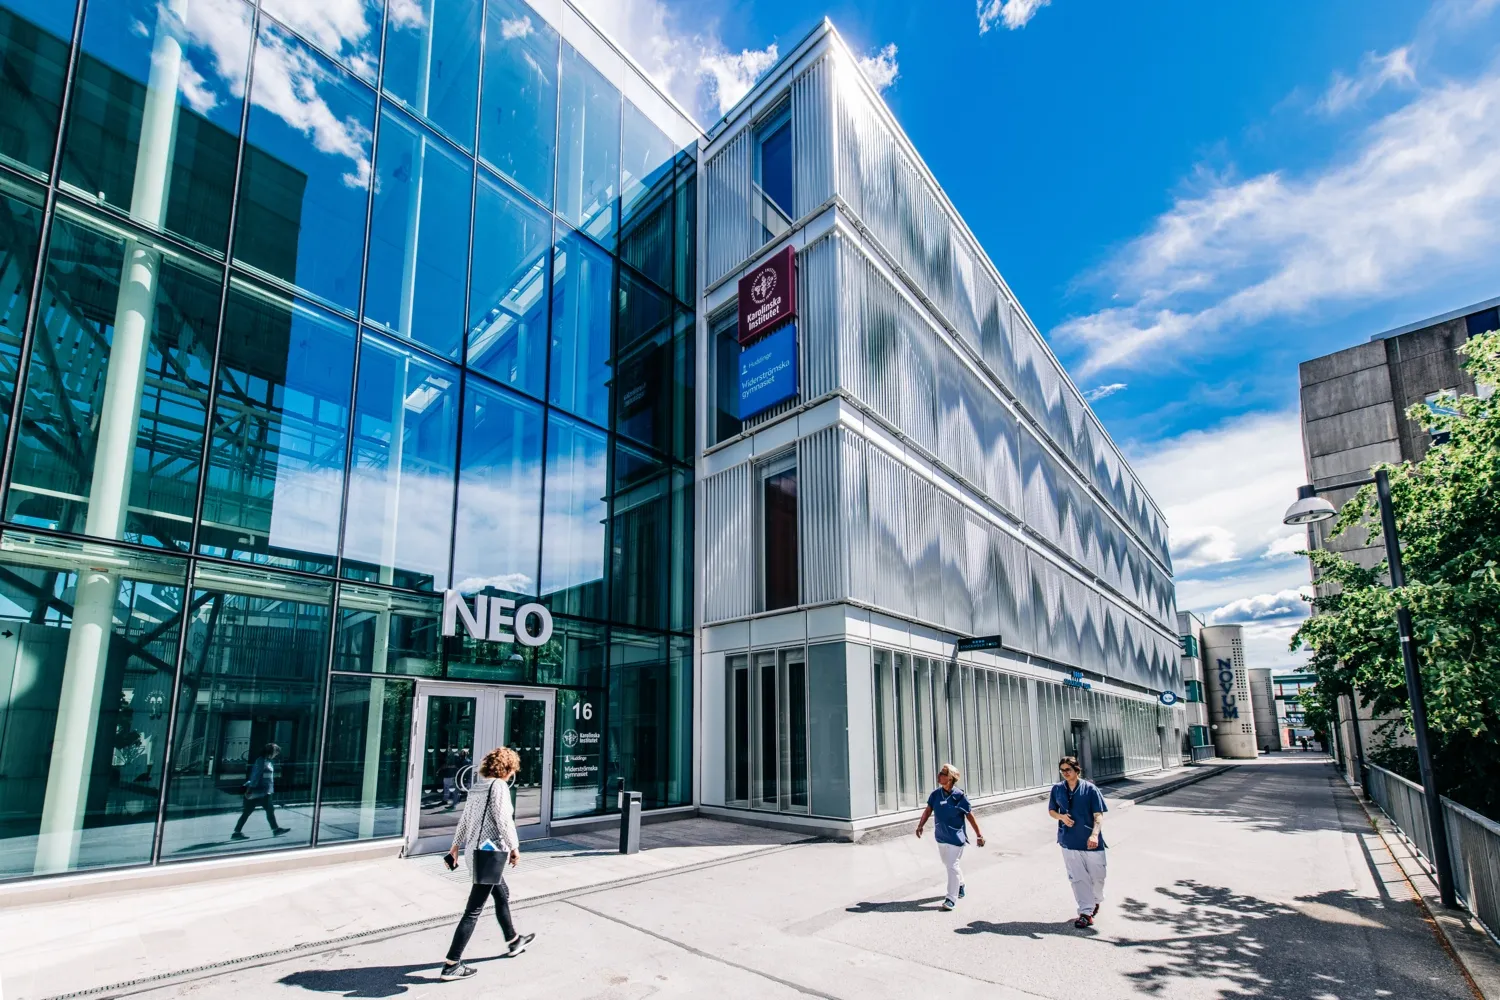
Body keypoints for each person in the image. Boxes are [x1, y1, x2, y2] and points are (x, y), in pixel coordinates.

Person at [440, 746, 535, 980]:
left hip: (475, 852)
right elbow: (504, 820)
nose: (513, 774)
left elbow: (464, 819)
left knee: (502, 893)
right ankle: (452, 964)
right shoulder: (498, 786)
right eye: (512, 770)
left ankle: (513, 939)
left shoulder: (478, 787)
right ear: (507, 768)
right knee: (473, 910)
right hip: (489, 855)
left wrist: (455, 846)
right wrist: (515, 847)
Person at [914, 763, 985, 911]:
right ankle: (960, 884)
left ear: (950, 778)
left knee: (952, 865)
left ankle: (951, 898)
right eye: (940, 773)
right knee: (949, 864)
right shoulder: (935, 795)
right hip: (941, 836)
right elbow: (928, 810)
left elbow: (970, 816)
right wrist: (920, 825)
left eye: (943, 774)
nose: (939, 775)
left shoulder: (959, 797)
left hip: (955, 838)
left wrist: (979, 835)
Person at [1048, 755, 1108, 929]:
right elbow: (1052, 810)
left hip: (1091, 842)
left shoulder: (1090, 789)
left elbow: (1098, 815)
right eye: (1062, 770)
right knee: (1078, 878)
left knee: (1098, 877)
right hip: (1069, 841)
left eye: (1068, 769)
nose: (1065, 773)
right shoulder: (1057, 789)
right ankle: (1085, 912)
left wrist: (1094, 835)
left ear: (1077, 770)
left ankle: (1095, 900)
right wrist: (1061, 817)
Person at [232, 743, 290, 840]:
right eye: (276, 752)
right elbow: (256, 776)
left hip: (264, 791)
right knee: (259, 811)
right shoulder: (261, 761)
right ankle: (275, 829)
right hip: (259, 791)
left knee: (263, 811)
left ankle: (237, 832)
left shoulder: (267, 761)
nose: (276, 755)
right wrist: (250, 789)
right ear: (271, 752)